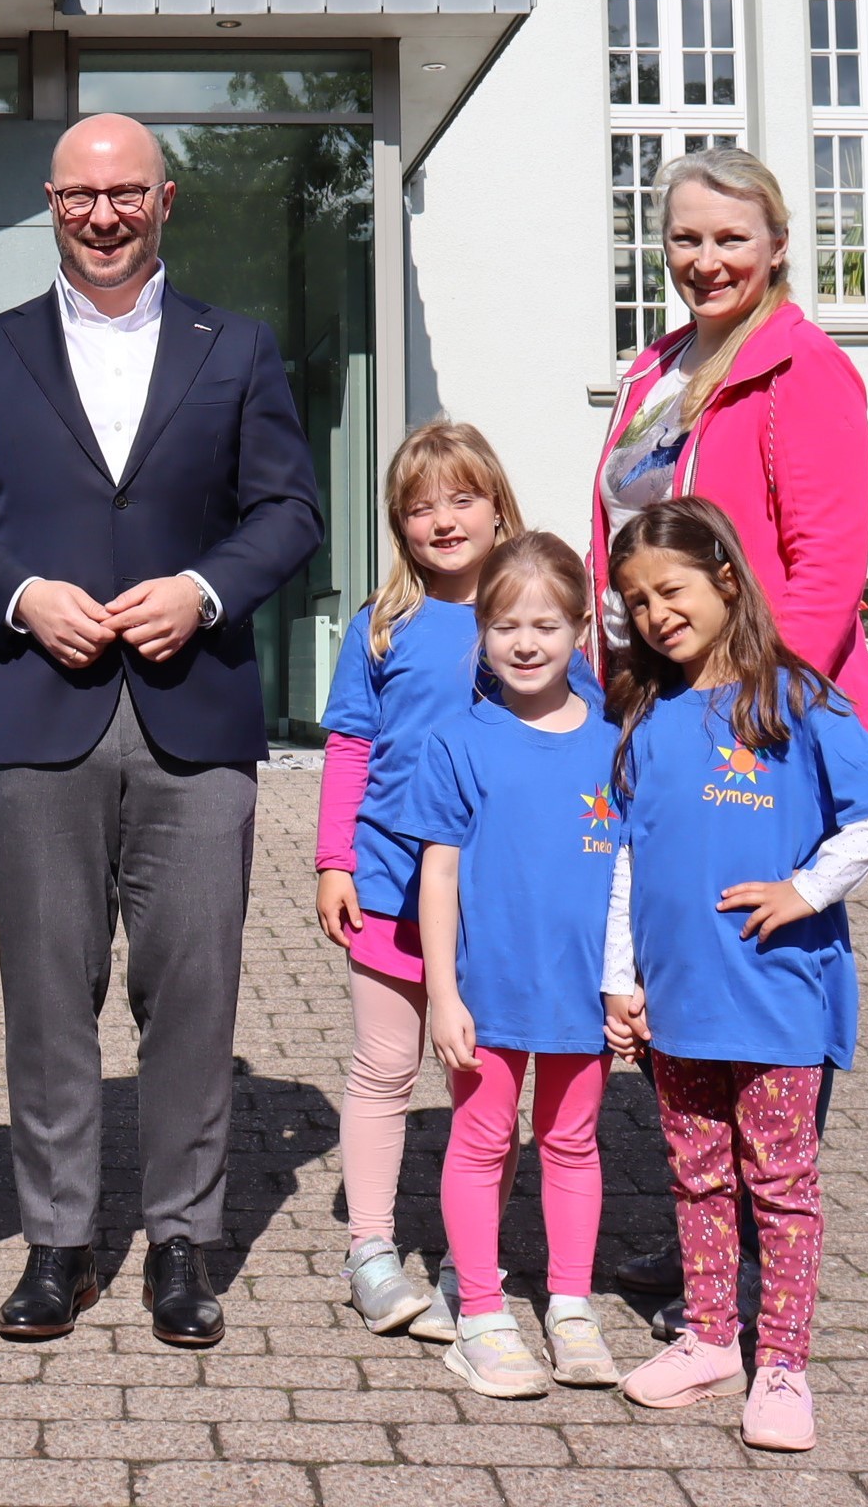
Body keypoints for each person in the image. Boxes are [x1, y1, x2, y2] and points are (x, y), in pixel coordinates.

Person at [0, 113, 321, 1350]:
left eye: (126, 193)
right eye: (83, 194)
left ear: (165, 199)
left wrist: (200, 591)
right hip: (42, 713)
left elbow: (289, 510)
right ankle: (57, 1242)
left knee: (191, 995)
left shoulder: (235, 349)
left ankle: (183, 1241)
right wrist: (22, 595)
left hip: (195, 714)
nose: (104, 214)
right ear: (50, 199)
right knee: (45, 995)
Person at [599, 498, 868, 1454]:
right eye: (635, 602)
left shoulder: (792, 696)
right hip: (677, 1007)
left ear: (726, 580)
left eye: (671, 591)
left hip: (776, 1001)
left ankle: (782, 1363)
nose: (656, 614)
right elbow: (626, 857)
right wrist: (622, 980)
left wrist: (804, 890)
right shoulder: (647, 716)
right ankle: (709, 1341)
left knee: (779, 1187)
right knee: (697, 1180)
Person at [313, 419, 522, 1339]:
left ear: (497, 507)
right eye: (418, 506)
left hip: (499, 898)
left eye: (461, 498)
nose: (441, 519)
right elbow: (350, 750)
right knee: (383, 1069)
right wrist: (332, 858)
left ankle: (464, 1258)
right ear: (398, 526)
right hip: (391, 884)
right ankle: (368, 1247)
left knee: (482, 1083)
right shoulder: (381, 626)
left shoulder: (532, 620)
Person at [403, 532, 623, 1401]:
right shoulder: (459, 742)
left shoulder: (615, 745)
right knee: (483, 1140)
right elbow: (440, 874)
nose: (524, 642)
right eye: (504, 625)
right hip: (486, 992)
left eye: (544, 624)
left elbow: (631, 882)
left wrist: (626, 982)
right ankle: (481, 1313)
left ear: (578, 630)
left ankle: (570, 1306)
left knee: (572, 1143)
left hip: (581, 994)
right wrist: (442, 993)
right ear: (481, 634)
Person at [589, 148, 868, 733]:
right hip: (648, 693)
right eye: (686, 239)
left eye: (730, 240)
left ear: (777, 247)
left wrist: (764, 703)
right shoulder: (655, 369)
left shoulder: (800, 366)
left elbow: (827, 567)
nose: (706, 263)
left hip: (746, 711)